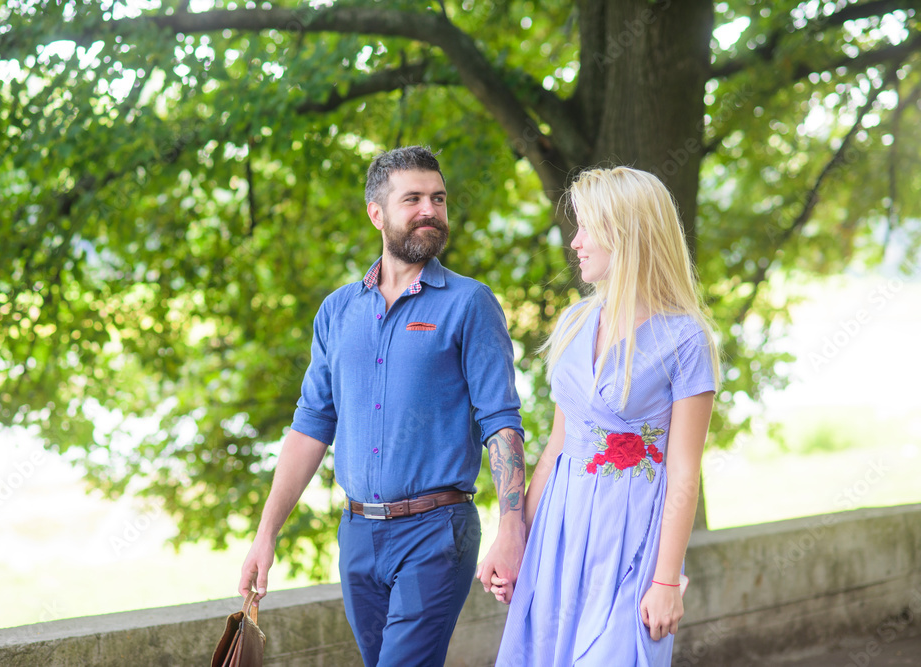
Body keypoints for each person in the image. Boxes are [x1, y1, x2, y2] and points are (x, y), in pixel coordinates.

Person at [237, 145, 527, 667]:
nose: (429, 211)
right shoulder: (338, 311)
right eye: (412, 198)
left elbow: (501, 421)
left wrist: (512, 526)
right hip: (358, 535)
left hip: (437, 532)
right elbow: (310, 425)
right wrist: (266, 535)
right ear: (377, 213)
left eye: (438, 199)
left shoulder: (469, 303)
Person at [492, 166, 720, 666]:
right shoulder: (575, 321)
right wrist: (516, 541)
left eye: (588, 227)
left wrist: (666, 579)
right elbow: (556, 447)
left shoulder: (686, 339)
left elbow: (684, 470)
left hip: (632, 534)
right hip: (559, 528)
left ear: (628, 232)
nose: (576, 242)